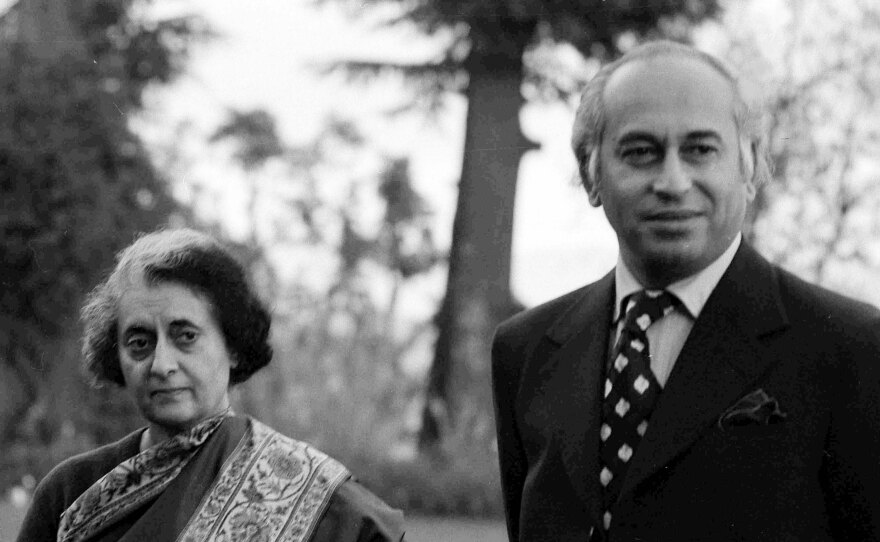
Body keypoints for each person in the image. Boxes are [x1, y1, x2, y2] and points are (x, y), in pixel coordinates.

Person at [491, 40, 880, 542]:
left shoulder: (849, 349)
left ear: (750, 164)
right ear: (591, 172)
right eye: (640, 153)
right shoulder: (525, 352)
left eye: (700, 150)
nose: (673, 182)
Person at [16, 228, 405, 542]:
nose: (161, 364)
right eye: (139, 343)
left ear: (232, 346)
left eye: (185, 336)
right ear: (114, 354)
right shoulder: (71, 494)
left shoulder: (307, 489)